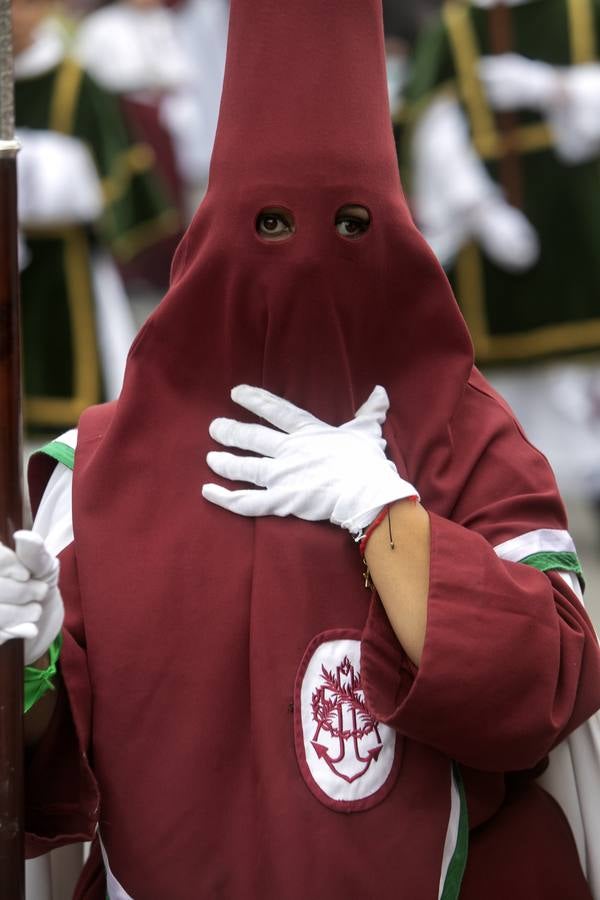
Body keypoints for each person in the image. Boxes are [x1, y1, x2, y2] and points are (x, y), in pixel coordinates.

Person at [2, 0, 600, 896]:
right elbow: (52, 772)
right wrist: (27, 658)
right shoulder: (101, 471)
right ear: (213, 244)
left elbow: (544, 694)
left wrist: (388, 517)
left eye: (354, 226)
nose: (310, 262)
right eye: (270, 226)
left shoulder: (464, 435)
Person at [403, 0, 600, 500]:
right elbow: (431, 127)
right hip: (488, 216)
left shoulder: (582, 11)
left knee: (578, 369)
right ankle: (518, 487)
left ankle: (588, 473)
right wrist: (479, 207)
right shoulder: (455, 27)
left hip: (577, 211)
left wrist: (554, 89)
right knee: (504, 378)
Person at [14, 0, 180, 432]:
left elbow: (105, 165)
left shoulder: (75, 80)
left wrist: (46, 168)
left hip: (66, 251)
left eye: (27, 6)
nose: (16, 16)